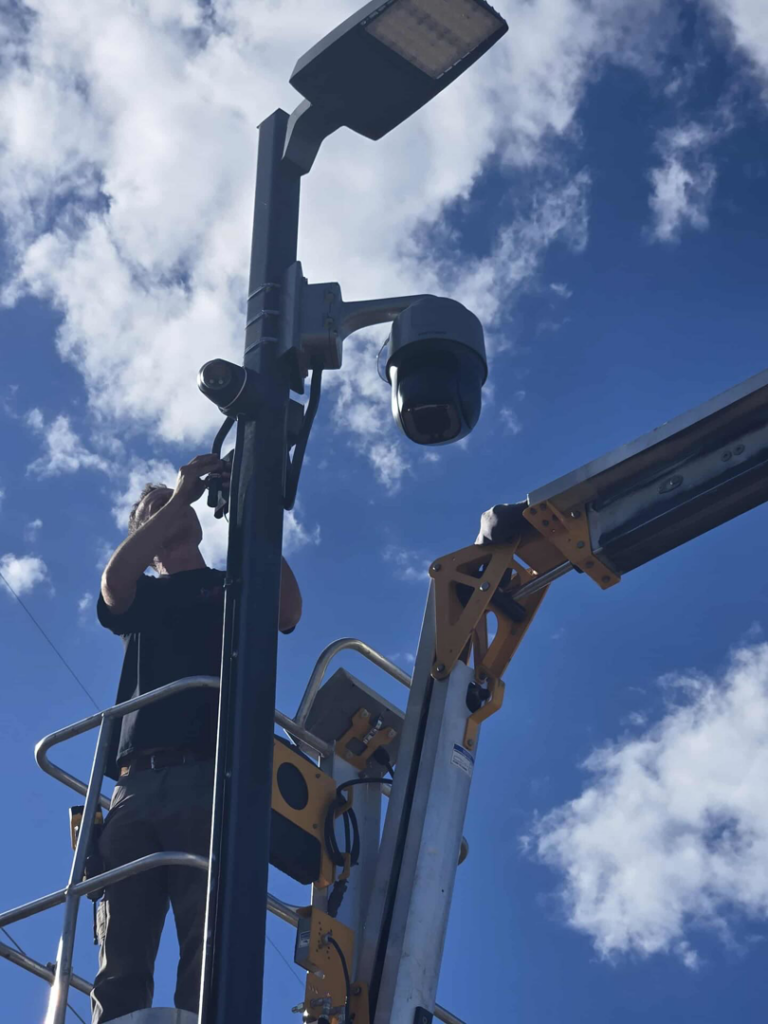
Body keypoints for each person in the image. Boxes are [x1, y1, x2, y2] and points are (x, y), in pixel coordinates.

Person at [91, 453, 302, 1023]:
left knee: (207, 936)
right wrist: (181, 494)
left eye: (176, 506)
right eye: (152, 513)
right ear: (147, 535)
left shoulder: (229, 586)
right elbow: (115, 581)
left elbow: (286, 610)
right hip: (134, 785)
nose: (169, 511)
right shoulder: (143, 597)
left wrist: (251, 513)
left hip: (208, 775)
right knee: (122, 949)